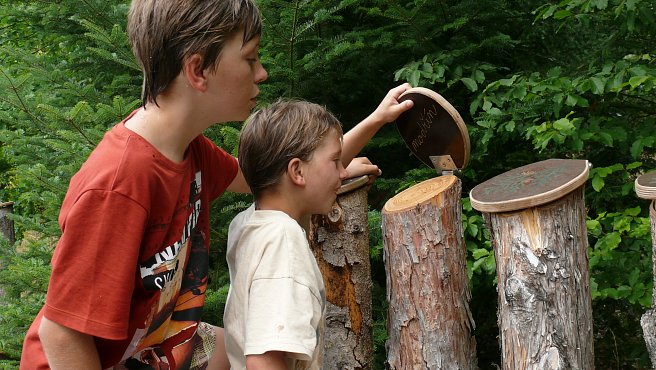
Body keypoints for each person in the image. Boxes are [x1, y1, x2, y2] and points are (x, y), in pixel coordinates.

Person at [20, 0, 412, 369]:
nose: (262, 73)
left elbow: (275, 176)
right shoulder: (121, 183)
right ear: (198, 71)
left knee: (248, 344)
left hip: (156, 346)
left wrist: (352, 147)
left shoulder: (191, 151)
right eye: (249, 58)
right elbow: (61, 333)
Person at [223, 97, 409, 370]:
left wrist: (376, 119)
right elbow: (264, 360)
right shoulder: (283, 243)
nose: (344, 171)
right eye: (336, 162)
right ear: (297, 171)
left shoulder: (249, 223)